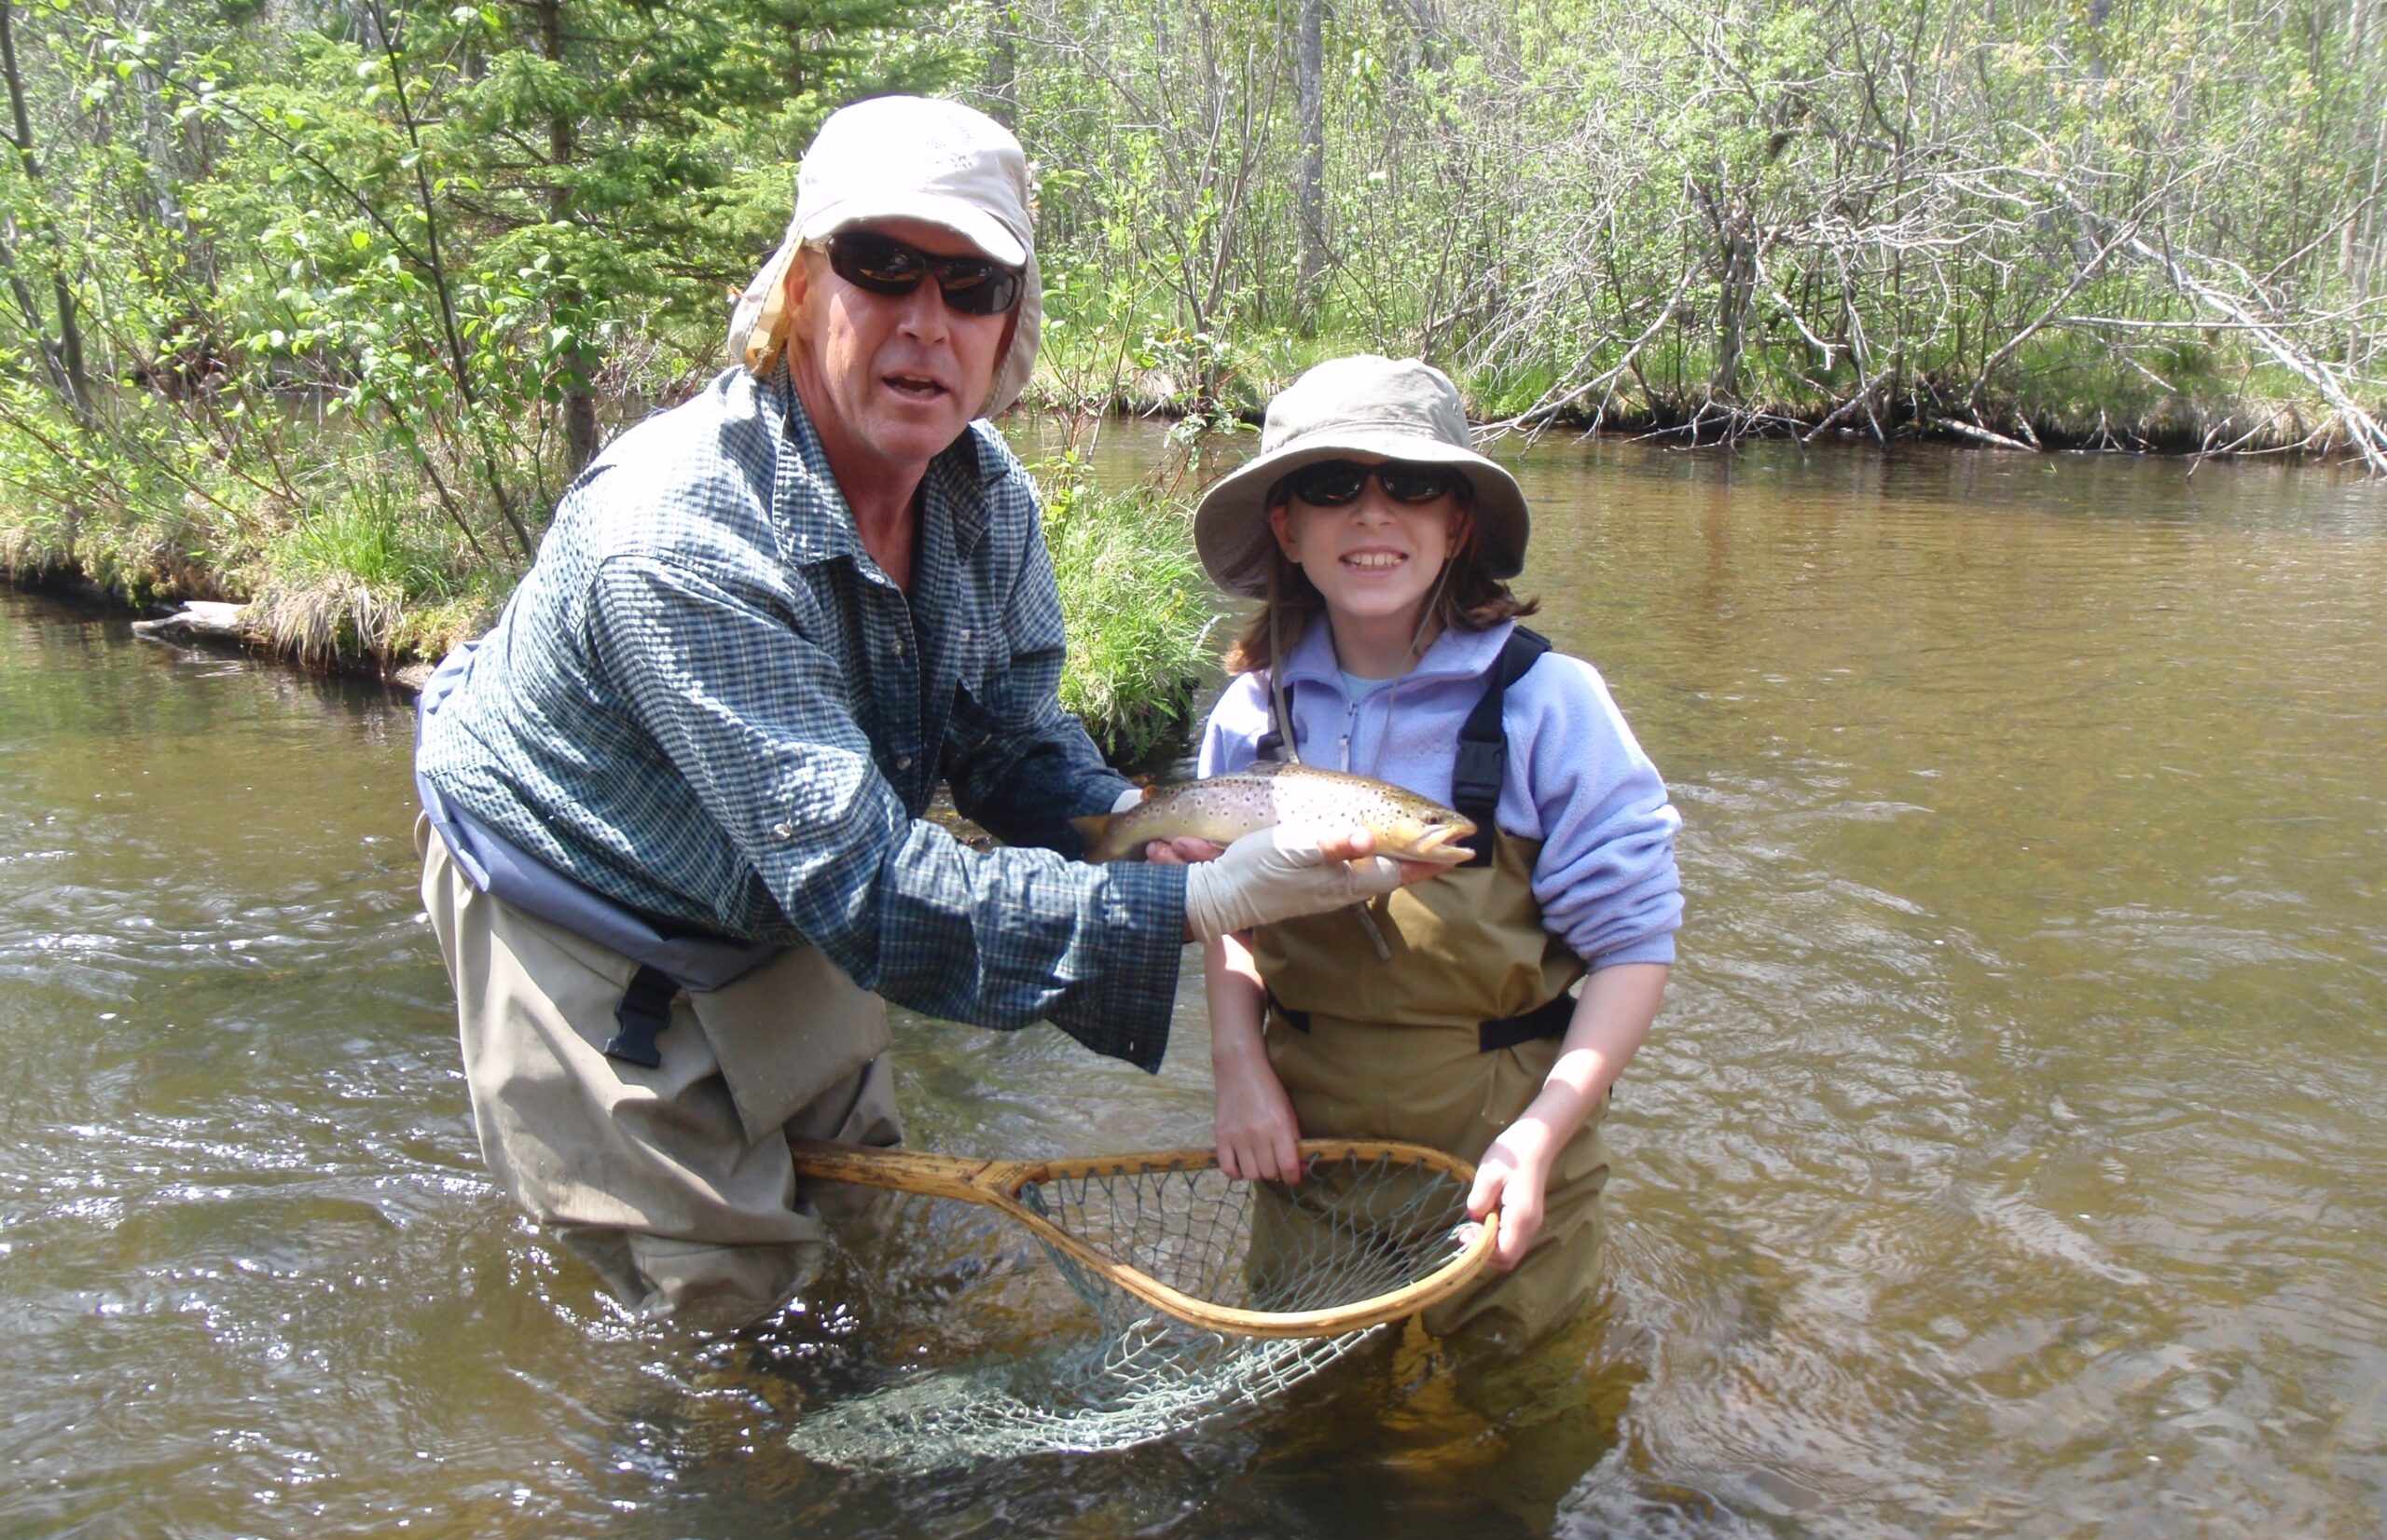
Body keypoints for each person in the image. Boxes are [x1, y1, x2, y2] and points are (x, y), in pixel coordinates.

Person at [412, 98, 1420, 1326]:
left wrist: (1122, 818)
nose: (927, 321)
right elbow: (872, 899)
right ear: (798, 290)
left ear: (1011, 327)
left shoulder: (985, 497)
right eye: (882, 266)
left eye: (972, 282)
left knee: (864, 1222)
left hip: (792, 878)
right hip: (575, 896)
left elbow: (1002, 728)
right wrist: (1194, 902)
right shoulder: (674, 539)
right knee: (727, 1312)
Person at [1167, 355, 1682, 1352]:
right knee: (1308, 1448)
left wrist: (1540, 1136)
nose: (1371, 515)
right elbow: (1223, 912)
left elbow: (1634, 946)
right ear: (1285, 525)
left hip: (1512, 1155)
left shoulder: (1550, 705)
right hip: (1306, 1156)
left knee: (1517, 1426)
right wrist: (1235, 1061)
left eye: (1410, 485)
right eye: (1330, 487)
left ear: (1458, 523)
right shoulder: (1247, 712)